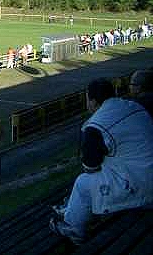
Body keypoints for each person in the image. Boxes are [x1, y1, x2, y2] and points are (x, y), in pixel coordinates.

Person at [49, 78, 153, 244]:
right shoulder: (134, 106)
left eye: (87, 99)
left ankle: (72, 228)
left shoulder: (95, 125)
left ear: (93, 101)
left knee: (83, 183)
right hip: (142, 174)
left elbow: (90, 169)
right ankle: (71, 209)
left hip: (143, 190)